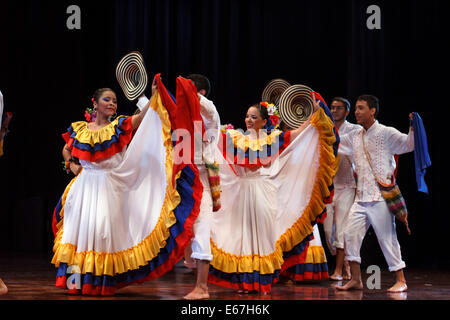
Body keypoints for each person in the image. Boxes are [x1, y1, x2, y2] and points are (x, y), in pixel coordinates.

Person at [51, 77, 203, 295]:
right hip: (83, 188)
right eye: (107, 100)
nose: (112, 104)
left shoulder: (119, 126)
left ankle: (97, 283)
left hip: (107, 188)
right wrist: (71, 165)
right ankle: (76, 282)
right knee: (79, 235)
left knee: (101, 234)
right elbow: (67, 148)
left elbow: (141, 119)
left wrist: (153, 97)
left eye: (114, 101)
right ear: (94, 103)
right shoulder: (81, 129)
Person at [208, 92, 339, 294]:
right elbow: (211, 131)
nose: (249, 120)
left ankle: (261, 281)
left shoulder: (273, 139)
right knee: (243, 237)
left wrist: (313, 115)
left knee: (262, 235)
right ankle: (245, 281)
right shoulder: (235, 137)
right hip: (242, 191)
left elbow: (299, 134)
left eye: (253, 117)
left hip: (262, 191)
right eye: (247, 116)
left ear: (263, 121)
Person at [336, 94, 414, 293]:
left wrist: (415, 128)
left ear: (372, 111)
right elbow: (334, 141)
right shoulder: (354, 136)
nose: (356, 112)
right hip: (360, 198)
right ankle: (356, 279)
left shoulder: (386, 133)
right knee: (349, 235)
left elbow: (408, 144)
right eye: (355, 108)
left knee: (387, 238)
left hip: (380, 198)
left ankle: (401, 279)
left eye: (361, 108)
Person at [182, 74, 221, 300]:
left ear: (200, 93)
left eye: (190, 90)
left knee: (202, 228)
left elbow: (206, 109)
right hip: (184, 181)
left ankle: (202, 288)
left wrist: (189, 92)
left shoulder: (210, 115)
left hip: (203, 182)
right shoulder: (185, 119)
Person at [323, 97, 360, 281]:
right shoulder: (326, 128)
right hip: (329, 187)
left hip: (346, 185)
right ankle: (344, 260)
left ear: (347, 111)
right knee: (328, 231)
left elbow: (354, 150)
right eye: (332, 107)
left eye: (339, 108)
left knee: (342, 230)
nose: (335, 110)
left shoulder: (355, 130)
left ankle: (338, 269)